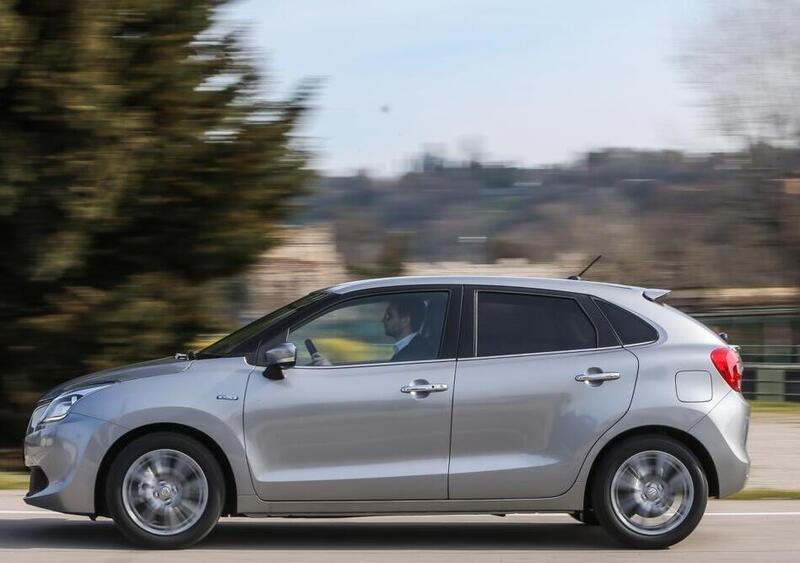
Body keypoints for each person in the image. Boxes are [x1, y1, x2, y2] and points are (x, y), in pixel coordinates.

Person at [309, 296, 434, 365]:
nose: (383, 320)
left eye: (388, 316)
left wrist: (330, 370)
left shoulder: (415, 353)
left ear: (405, 321)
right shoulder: (411, 348)